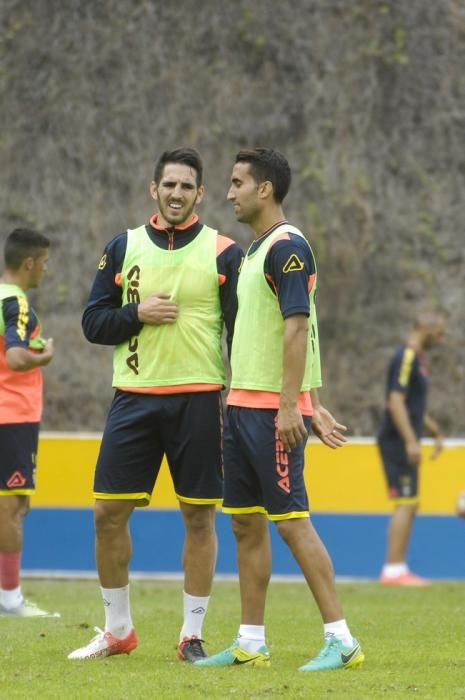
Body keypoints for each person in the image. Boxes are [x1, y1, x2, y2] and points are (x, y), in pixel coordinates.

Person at [68, 147, 243, 661]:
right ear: (154, 189)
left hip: (199, 398)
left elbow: (240, 331)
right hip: (135, 399)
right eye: (169, 185)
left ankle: (191, 635)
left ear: (200, 194)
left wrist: (252, 395)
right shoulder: (122, 247)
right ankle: (117, 629)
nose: (176, 194)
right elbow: (92, 323)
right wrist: (136, 313)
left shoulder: (223, 252)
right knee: (107, 513)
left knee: (198, 517)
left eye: (186, 186)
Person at [194, 148, 364, 672]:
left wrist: (295, 405)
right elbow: (291, 334)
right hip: (241, 407)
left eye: (238, 182)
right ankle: (251, 641)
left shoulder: (288, 248)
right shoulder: (256, 250)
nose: (229, 193)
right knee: (245, 523)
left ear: (264, 189)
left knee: (292, 521)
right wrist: (311, 400)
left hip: (272, 415)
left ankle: (342, 641)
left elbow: (297, 326)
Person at [0, 228, 58, 618]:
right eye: (45, 263)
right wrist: (44, 356)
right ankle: (9, 599)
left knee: (16, 503)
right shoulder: (15, 302)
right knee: (11, 504)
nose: (46, 270)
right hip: (12, 414)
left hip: (11, 414)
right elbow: (16, 356)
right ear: (30, 263)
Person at [377, 311, 447, 586]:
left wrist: (433, 431)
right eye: (439, 332)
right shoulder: (406, 356)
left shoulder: (417, 359)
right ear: (426, 328)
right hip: (396, 439)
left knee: (411, 502)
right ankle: (393, 570)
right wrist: (409, 440)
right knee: (405, 502)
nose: (441, 340)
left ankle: (398, 568)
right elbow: (395, 401)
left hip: (404, 437)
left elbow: (412, 405)